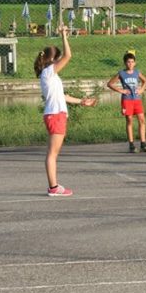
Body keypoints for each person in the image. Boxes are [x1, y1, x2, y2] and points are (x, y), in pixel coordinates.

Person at [36, 25, 97, 197]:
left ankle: (54, 186)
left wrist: (81, 101)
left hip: (55, 114)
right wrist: (64, 35)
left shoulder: (50, 75)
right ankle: (53, 187)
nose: (60, 58)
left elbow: (63, 96)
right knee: (52, 154)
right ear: (52, 59)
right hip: (55, 115)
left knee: (52, 153)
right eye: (57, 56)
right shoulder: (48, 72)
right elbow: (68, 55)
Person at [107, 51, 146, 153]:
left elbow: (145, 81)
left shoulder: (137, 72)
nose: (130, 64)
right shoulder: (121, 73)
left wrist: (141, 90)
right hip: (127, 100)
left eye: (132, 62)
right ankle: (131, 145)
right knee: (130, 121)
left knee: (142, 120)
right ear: (125, 63)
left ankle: (143, 144)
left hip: (137, 99)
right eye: (128, 62)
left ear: (135, 63)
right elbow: (109, 84)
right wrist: (120, 90)